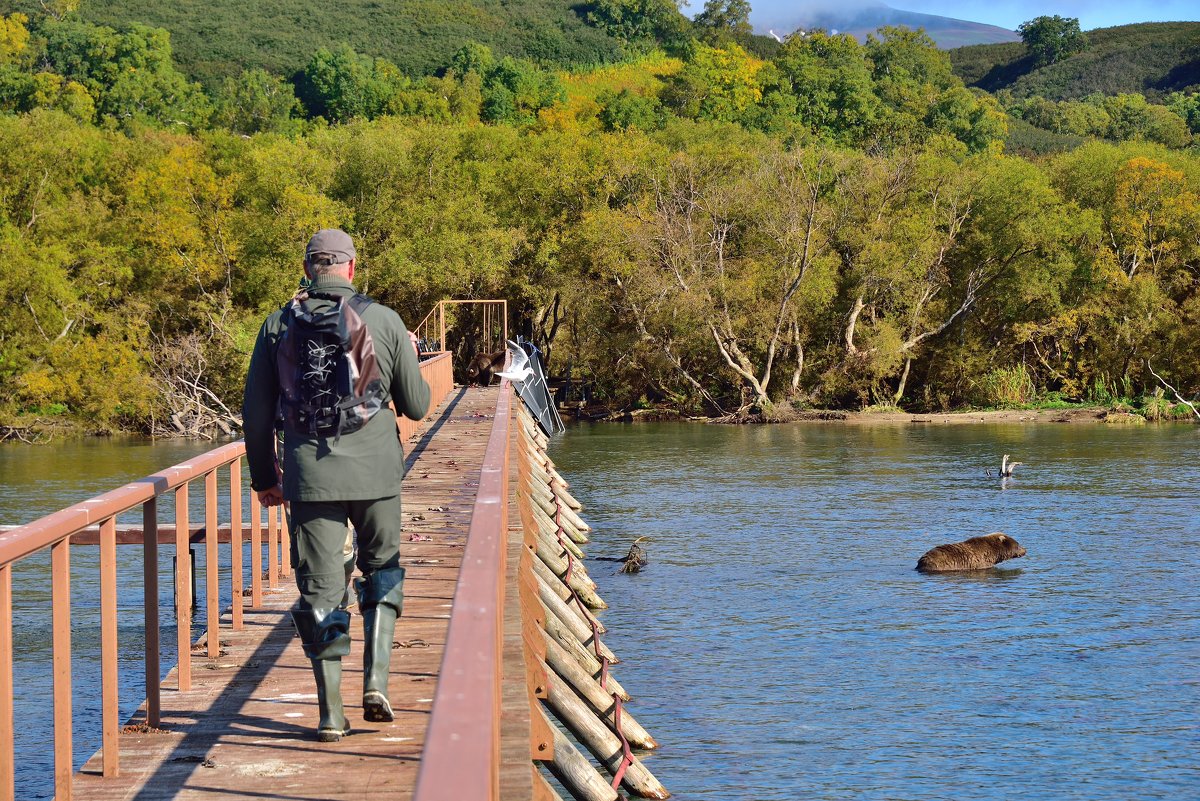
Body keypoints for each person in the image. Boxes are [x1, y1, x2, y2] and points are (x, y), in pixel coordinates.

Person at [243, 228, 430, 741]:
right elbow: (417, 406)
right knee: (381, 569)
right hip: (377, 477)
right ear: (351, 268)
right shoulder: (386, 320)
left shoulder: (278, 324)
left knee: (322, 591)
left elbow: (256, 418)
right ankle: (376, 683)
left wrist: (265, 478)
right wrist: (407, 354)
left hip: (309, 477)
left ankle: (330, 715)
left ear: (307, 270)